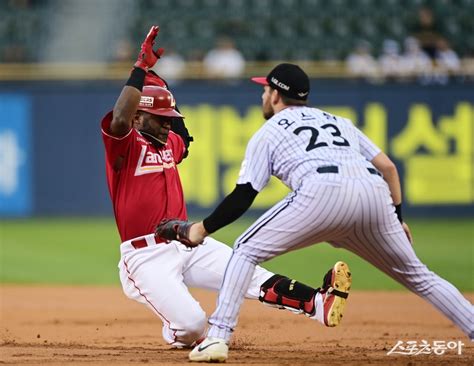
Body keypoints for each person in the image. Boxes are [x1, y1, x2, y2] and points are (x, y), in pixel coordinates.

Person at [161, 63, 474, 362]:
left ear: (274, 95)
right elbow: (389, 168)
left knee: (244, 249)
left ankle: (217, 338)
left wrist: (200, 230)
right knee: (420, 276)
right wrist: (398, 217)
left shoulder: (269, 132)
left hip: (321, 190)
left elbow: (244, 195)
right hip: (373, 192)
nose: (262, 95)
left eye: (265, 89)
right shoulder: (339, 121)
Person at [101, 27, 351, 349]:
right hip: (146, 256)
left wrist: (161, 83)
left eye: (168, 118)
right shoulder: (125, 145)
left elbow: (183, 136)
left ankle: (317, 303)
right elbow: (120, 118)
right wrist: (140, 70)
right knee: (192, 325)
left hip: (185, 241)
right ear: (138, 118)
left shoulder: (170, 143)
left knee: (246, 271)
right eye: (159, 118)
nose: (167, 123)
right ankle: (182, 333)